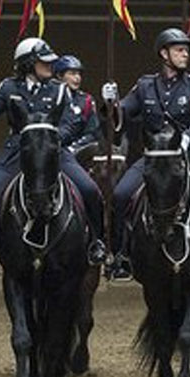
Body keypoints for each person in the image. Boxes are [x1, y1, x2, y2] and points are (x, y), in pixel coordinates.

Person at [102, 28, 190, 281]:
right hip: (155, 157)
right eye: (179, 50)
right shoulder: (145, 86)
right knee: (121, 196)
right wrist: (111, 103)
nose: (185, 54)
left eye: (186, 49)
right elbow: (122, 115)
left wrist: (187, 138)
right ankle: (121, 256)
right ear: (163, 53)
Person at [0, 38, 106, 275]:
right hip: (17, 151)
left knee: (90, 190)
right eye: (44, 61)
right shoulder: (9, 88)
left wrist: (48, 138)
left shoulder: (59, 89)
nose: (50, 66)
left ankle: (96, 243)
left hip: (53, 151)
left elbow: (70, 124)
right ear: (28, 63)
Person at [53, 54, 108, 262]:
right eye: (72, 73)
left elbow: (93, 132)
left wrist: (74, 147)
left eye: (79, 74)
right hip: (46, 154)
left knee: (90, 191)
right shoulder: (49, 95)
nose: (77, 78)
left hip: (73, 156)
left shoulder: (86, 101)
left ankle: (97, 240)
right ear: (59, 76)